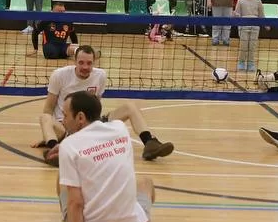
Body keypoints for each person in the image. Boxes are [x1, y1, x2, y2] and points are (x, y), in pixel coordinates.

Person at [45, 91, 156, 222]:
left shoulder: (69, 146)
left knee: (63, 179)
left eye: (65, 115)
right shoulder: (120, 129)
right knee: (146, 182)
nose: (63, 121)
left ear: (80, 117)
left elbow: (76, 203)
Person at [32, 45, 174, 165]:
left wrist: (97, 126)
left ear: (94, 62)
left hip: (91, 126)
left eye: (89, 63)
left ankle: (150, 143)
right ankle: (55, 150)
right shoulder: (59, 75)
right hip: (66, 127)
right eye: (81, 63)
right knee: (44, 117)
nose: (85, 67)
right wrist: (49, 134)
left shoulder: (100, 75)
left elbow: (96, 105)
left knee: (130, 107)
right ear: (74, 61)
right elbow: (48, 109)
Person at [234, 0, 263, 73]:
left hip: (255, 27)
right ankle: (241, 62)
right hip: (243, 27)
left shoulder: (258, 1)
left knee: (252, 46)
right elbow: (237, 13)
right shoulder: (240, 1)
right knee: (244, 46)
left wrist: (266, 24)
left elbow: (261, 14)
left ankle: (251, 63)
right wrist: (235, 15)